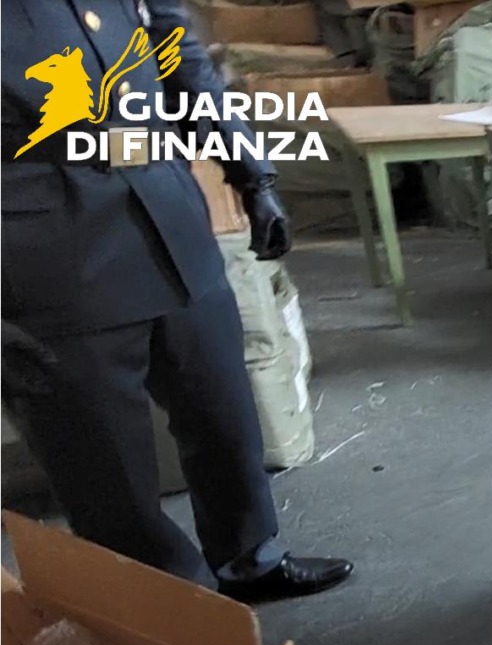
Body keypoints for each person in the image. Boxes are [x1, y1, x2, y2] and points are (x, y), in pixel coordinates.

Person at [1, 0, 352, 602]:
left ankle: (251, 559)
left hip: (166, 212)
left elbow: (179, 55)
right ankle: (173, 607)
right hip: (44, 240)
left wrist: (250, 172)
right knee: (102, 460)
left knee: (223, 407)